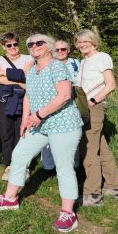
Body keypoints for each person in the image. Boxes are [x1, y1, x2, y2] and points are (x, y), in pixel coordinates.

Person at [0, 34, 83, 234]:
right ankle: (10, 199)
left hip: (63, 124)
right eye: (30, 44)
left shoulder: (57, 66)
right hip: (39, 124)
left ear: (49, 46)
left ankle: (68, 213)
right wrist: (25, 120)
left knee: (64, 167)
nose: (34, 46)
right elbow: (28, 97)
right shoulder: (32, 70)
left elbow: (65, 95)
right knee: (19, 154)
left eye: (39, 43)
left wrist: (38, 115)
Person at [75, 29, 118, 206]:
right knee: (101, 147)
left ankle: (93, 193)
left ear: (94, 41)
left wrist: (93, 101)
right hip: (84, 107)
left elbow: (111, 84)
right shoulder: (83, 61)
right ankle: (114, 187)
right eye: (79, 42)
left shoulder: (102, 57)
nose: (82, 45)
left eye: (85, 41)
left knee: (88, 148)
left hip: (94, 107)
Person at [0, 32, 33, 180]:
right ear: (4, 47)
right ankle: (9, 163)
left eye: (15, 44)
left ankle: (23, 164)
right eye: (9, 45)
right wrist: (18, 81)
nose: (13, 47)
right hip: (4, 99)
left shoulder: (28, 58)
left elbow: (25, 75)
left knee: (22, 130)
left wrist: (3, 72)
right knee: (6, 131)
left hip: (23, 99)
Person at [41, 40, 81, 171]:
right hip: (51, 103)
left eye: (63, 49)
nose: (60, 52)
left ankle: (73, 165)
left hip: (71, 103)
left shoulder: (75, 63)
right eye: (57, 50)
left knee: (71, 135)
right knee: (48, 134)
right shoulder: (47, 64)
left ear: (68, 50)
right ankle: (48, 166)